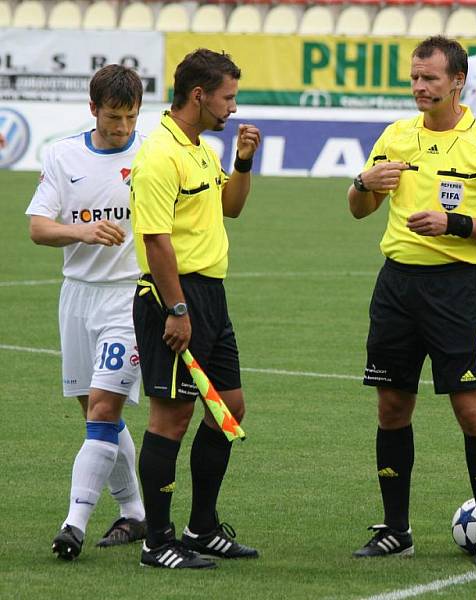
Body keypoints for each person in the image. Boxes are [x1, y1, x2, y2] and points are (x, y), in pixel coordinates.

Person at [348, 36, 476, 567]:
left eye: (430, 78)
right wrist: (363, 181)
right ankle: (396, 529)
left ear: (458, 83)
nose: (420, 87)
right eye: (414, 77)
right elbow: (359, 208)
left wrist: (454, 224)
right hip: (396, 287)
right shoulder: (396, 136)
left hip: (456, 289)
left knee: (471, 411)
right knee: (391, 406)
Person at [130, 48, 261, 569]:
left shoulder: (201, 147)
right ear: (199, 95)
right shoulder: (160, 154)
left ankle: (201, 528)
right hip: (173, 295)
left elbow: (230, 207)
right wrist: (177, 309)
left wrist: (243, 161)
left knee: (227, 410)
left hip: (210, 296)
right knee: (172, 417)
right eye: (228, 97)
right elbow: (156, 239)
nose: (233, 107)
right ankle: (156, 541)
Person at [25, 64, 147, 560]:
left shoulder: (151, 152)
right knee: (95, 413)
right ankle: (135, 512)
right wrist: (83, 232)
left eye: (131, 117)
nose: (122, 128)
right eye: (114, 117)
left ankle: (73, 524)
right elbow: (37, 227)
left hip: (129, 296)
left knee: (103, 407)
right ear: (93, 109)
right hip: (77, 296)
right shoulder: (63, 155)